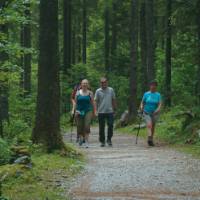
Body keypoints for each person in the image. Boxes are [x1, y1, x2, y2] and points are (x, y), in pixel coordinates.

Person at [73, 79, 95, 148]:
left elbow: (93, 103)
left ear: (88, 85)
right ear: (81, 84)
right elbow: (75, 103)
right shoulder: (77, 93)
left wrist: (94, 111)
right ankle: (81, 138)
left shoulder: (90, 93)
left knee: (87, 125)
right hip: (79, 111)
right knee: (79, 126)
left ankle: (87, 141)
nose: (84, 84)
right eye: (83, 83)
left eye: (86, 83)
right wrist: (74, 110)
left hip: (88, 111)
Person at [94, 77, 116, 147]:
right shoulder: (98, 91)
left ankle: (109, 139)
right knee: (101, 127)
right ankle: (102, 141)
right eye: (102, 82)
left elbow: (113, 99)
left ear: (107, 82)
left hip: (110, 111)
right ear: (100, 83)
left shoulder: (111, 90)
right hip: (101, 111)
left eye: (105, 82)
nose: (104, 84)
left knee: (110, 125)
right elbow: (95, 101)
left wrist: (115, 109)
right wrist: (95, 110)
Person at [140, 80, 162, 146]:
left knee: (153, 126)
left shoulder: (158, 95)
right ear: (150, 86)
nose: (153, 87)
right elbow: (142, 102)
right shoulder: (146, 94)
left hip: (154, 113)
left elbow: (160, 104)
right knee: (149, 124)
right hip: (146, 111)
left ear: (156, 87)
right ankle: (149, 138)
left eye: (154, 85)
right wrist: (141, 107)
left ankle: (151, 139)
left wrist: (158, 109)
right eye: (152, 85)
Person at [71, 78, 82, 142]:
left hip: (85, 108)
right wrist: (73, 108)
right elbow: (72, 98)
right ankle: (78, 136)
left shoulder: (88, 88)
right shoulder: (75, 89)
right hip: (77, 108)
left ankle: (82, 136)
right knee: (78, 123)